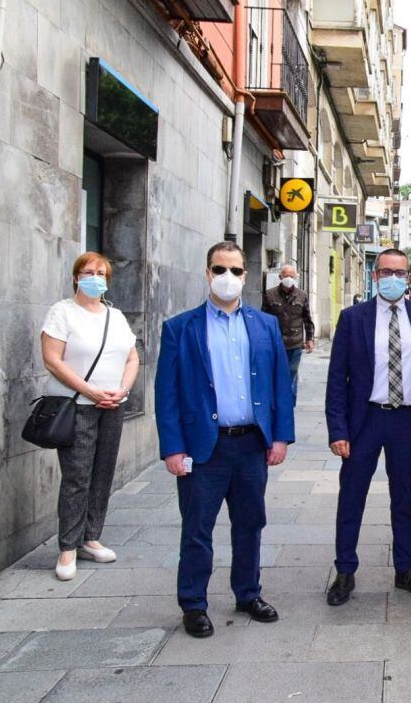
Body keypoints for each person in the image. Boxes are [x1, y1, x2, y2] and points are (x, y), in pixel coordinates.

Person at [155, 241, 295, 638]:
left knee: (250, 523)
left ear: (245, 276)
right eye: (220, 270)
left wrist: (280, 437)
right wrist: (172, 447)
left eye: (235, 270)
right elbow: (166, 394)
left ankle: (248, 593)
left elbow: (279, 385)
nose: (227, 278)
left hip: (251, 444)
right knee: (197, 528)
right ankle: (194, 604)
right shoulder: (180, 328)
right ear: (207, 273)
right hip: (204, 449)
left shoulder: (264, 325)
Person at [325, 248, 411, 605]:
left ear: (409, 277)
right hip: (365, 419)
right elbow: (336, 380)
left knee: (404, 499)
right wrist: (338, 430)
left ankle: (405, 569)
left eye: (401, 272)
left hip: (408, 420)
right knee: (352, 497)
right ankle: (345, 571)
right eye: (386, 272)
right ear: (375, 276)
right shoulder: (352, 318)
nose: (393, 278)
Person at [41, 252, 139, 581]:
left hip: (112, 405)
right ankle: (68, 547)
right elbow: (53, 360)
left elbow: (132, 358)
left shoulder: (115, 316)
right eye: (87, 272)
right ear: (75, 277)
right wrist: (90, 390)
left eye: (100, 272)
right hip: (77, 406)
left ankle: (90, 537)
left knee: (102, 473)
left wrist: (122, 391)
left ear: (107, 279)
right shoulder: (62, 313)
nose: (94, 277)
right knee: (77, 476)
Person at [261, 264, 315, 400]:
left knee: (291, 372)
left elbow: (307, 319)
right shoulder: (269, 294)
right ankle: (279, 400)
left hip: (295, 343)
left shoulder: (302, 295)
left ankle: (289, 403)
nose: (289, 278)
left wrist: (310, 339)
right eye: (286, 276)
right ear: (280, 276)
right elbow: (264, 319)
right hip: (276, 342)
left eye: (292, 276)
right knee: (278, 373)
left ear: (296, 277)